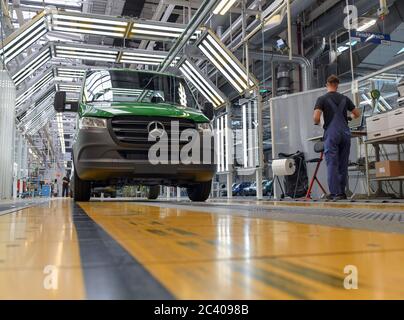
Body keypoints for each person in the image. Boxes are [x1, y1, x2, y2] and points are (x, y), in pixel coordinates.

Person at [313, 75, 361, 201]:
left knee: (332, 164)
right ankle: (342, 192)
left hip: (332, 134)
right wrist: (349, 118)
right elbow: (357, 113)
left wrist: (320, 124)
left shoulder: (322, 99)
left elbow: (316, 118)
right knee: (343, 164)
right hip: (345, 133)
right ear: (337, 85)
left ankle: (335, 193)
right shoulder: (345, 98)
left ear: (326, 84)